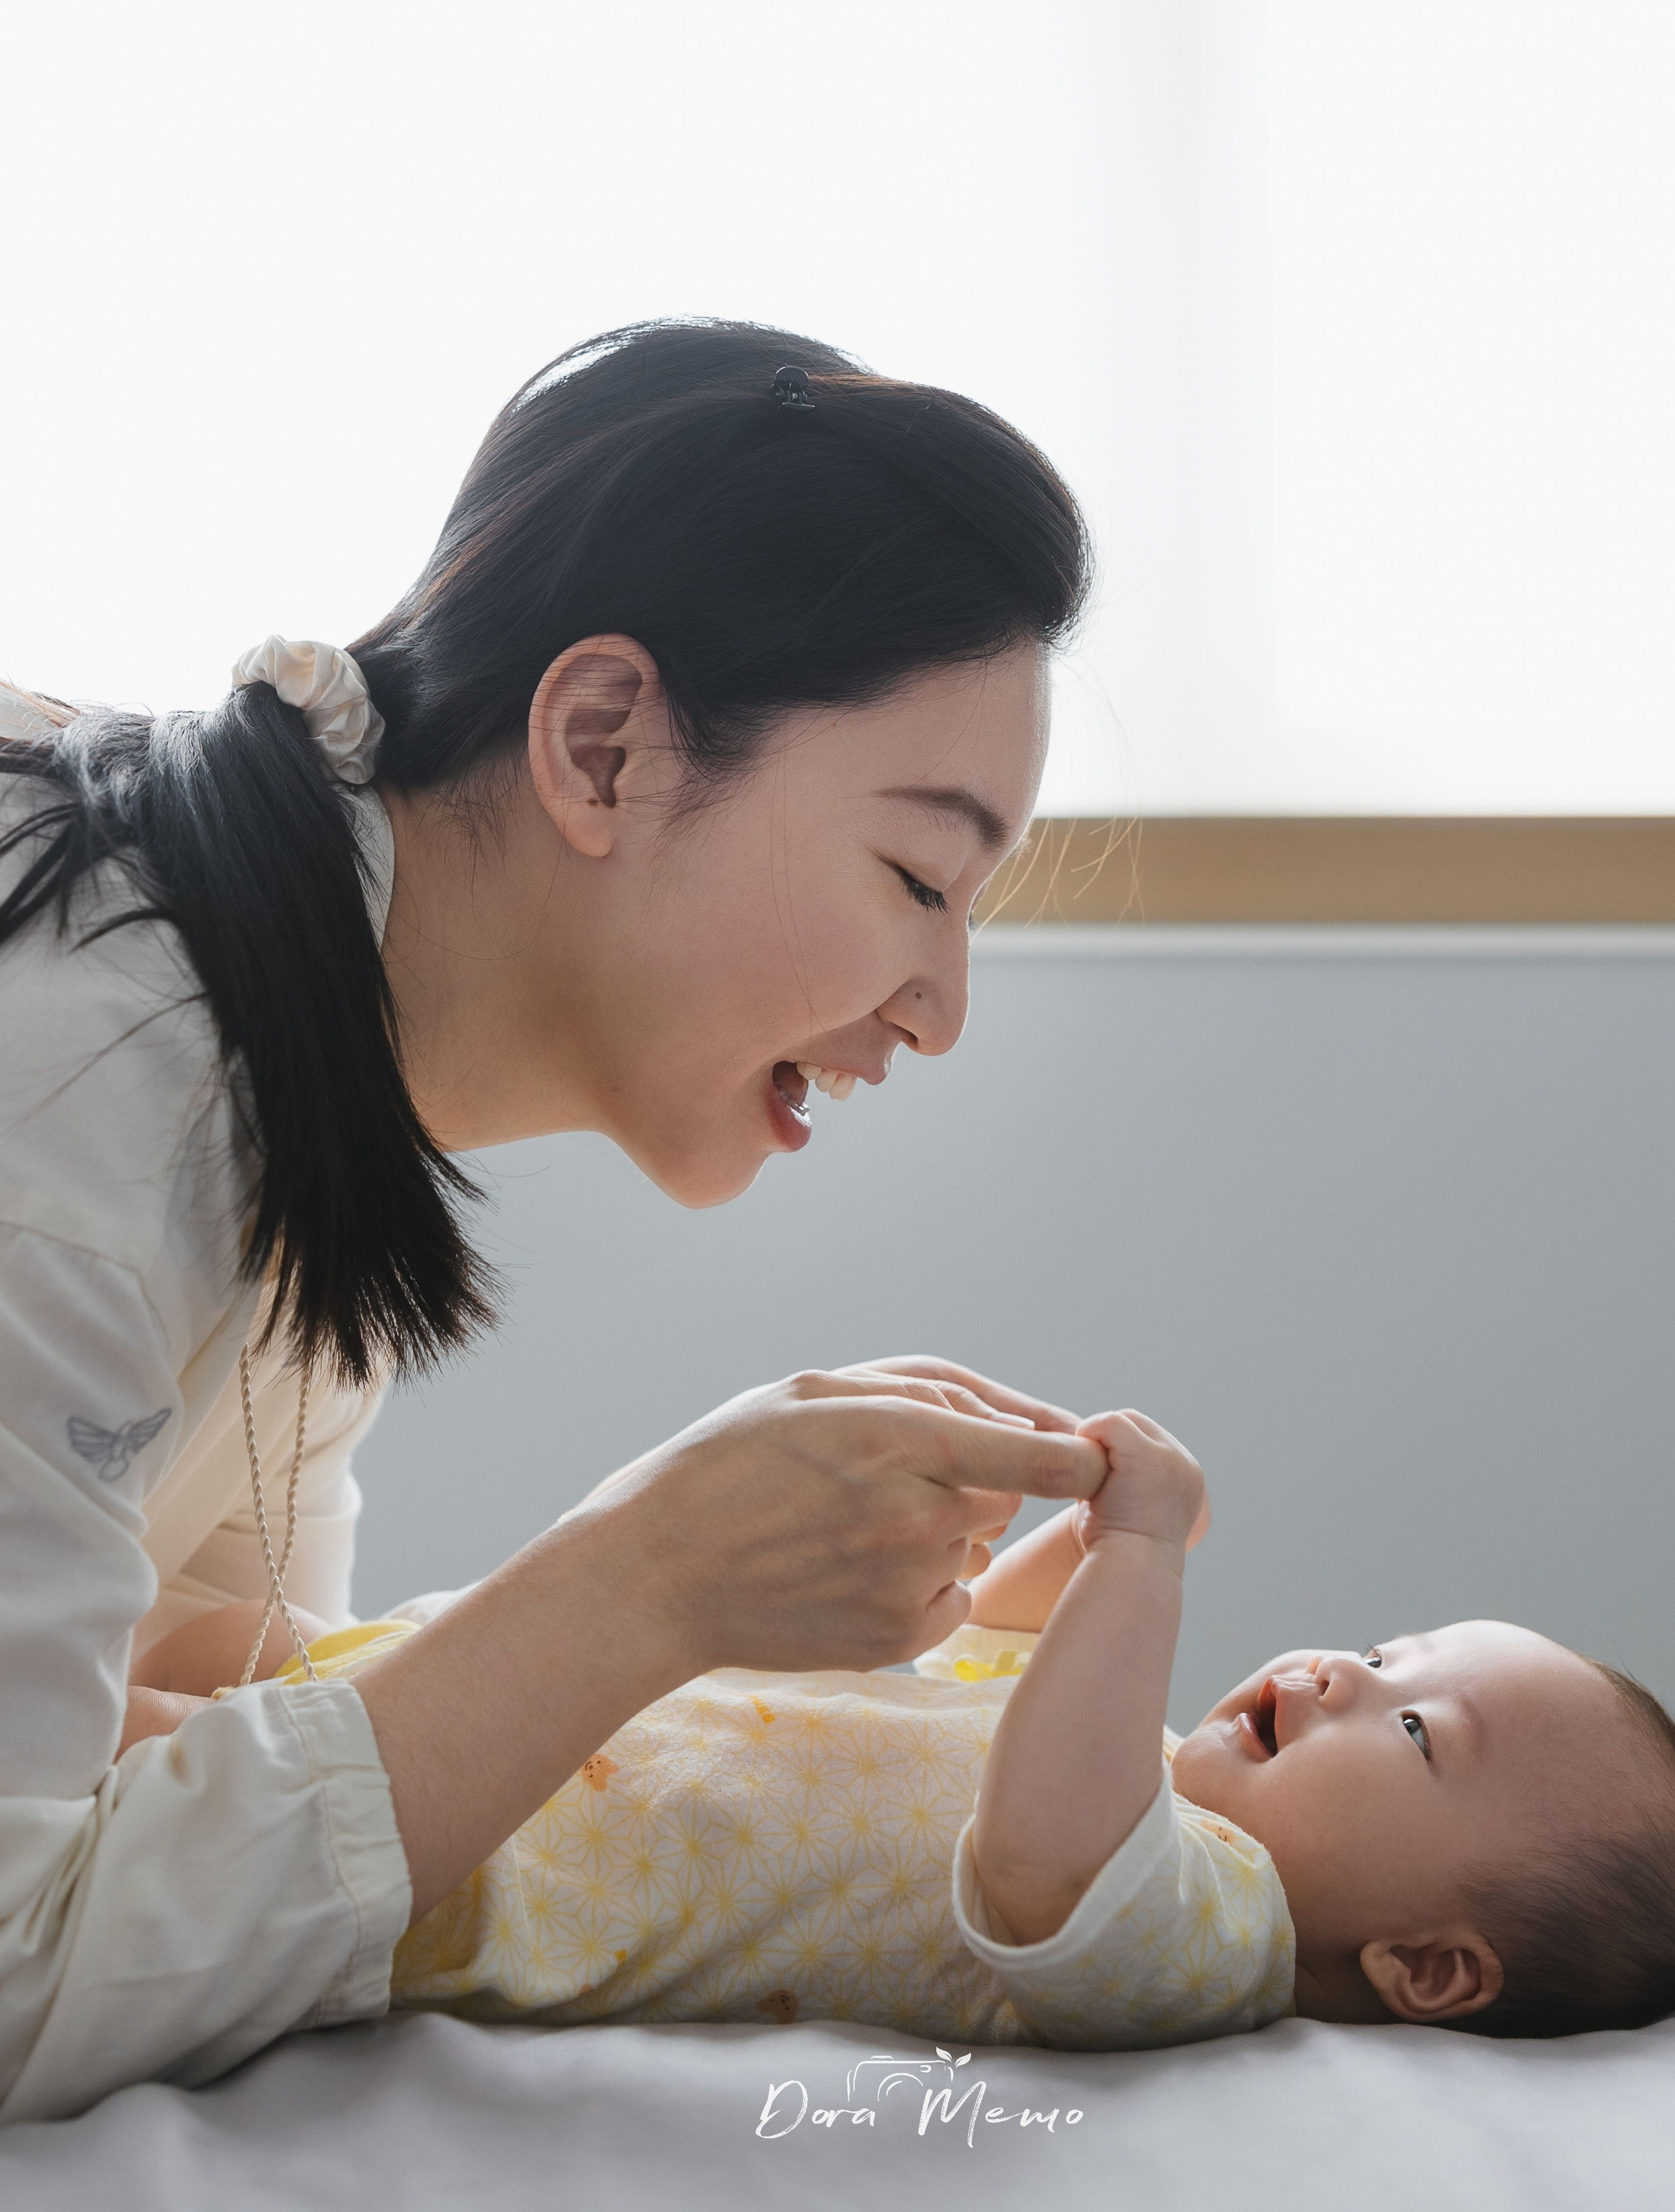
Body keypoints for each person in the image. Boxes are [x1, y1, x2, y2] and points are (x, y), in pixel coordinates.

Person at [0, 319, 1110, 2124]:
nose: (940, 1008)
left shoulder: (310, 1078)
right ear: (601, 745)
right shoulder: (85, 1086)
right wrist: (647, 1584)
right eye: (917, 877)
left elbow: (190, 1724)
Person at [146, 1405, 1675, 2046]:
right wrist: (1068, 1522)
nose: (1341, 1672)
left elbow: (1042, 1839)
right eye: (1389, 1650)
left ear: (1429, 1967)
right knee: (161, 1624)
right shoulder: (1140, 1784)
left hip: (464, 1850)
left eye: (1411, 1734)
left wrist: (1135, 1570)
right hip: (465, 1678)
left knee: (121, 1757)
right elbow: (985, 1650)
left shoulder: (1205, 1935)